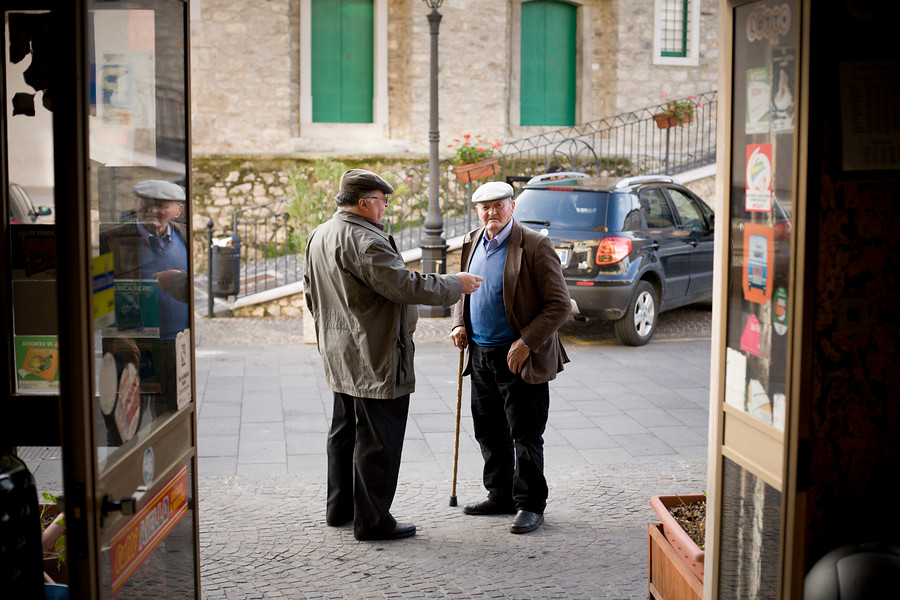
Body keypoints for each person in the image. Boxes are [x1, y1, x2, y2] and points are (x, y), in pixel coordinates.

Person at [304, 169, 483, 541]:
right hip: (375, 352)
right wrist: (456, 283)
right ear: (365, 202)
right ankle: (372, 521)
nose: (386, 206)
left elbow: (311, 294)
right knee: (379, 439)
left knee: (344, 432)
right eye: (383, 200)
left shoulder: (320, 234)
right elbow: (403, 286)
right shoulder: (365, 240)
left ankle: (340, 509)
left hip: (341, 351)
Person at [449, 181, 571, 535]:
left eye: (498, 206)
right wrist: (459, 323)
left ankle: (531, 504)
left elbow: (559, 305)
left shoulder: (534, 244)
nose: (491, 213)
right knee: (488, 430)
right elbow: (463, 288)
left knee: (525, 433)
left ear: (512, 207)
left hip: (519, 356)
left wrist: (526, 342)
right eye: (484, 207)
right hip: (481, 353)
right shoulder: (473, 240)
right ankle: (500, 494)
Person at [99, 179, 189, 444]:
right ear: (136, 204)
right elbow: (98, 296)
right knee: (123, 429)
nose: (152, 210)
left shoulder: (187, 235)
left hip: (174, 349)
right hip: (129, 350)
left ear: (177, 210)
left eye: (161, 205)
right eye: (145, 203)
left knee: (172, 427)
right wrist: (117, 336)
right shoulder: (111, 239)